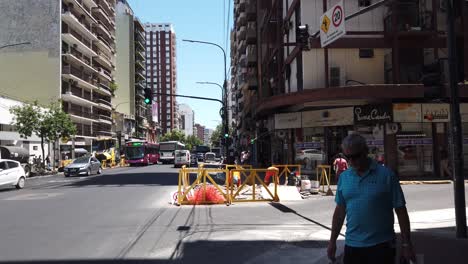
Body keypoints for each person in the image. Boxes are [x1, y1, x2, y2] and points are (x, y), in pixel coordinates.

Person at [327, 133, 415, 264]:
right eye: (347, 157)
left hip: (382, 246)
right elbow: (340, 212)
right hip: (353, 246)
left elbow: (401, 211)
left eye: (355, 156)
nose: (351, 161)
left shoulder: (386, 176)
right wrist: (332, 242)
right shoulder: (344, 178)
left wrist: (406, 244)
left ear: (365, 152)